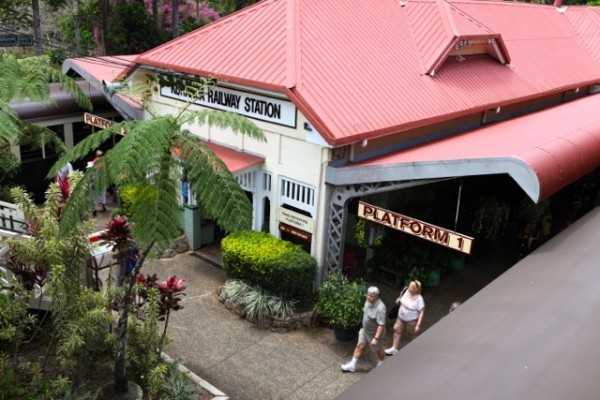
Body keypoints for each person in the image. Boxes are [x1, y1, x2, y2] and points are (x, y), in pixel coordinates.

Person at [341, 286, 386, 373]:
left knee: (378, 349)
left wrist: (376, 338)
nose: (368, 297)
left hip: (374, 334)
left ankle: (382, 363)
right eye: (368, 295)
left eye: (371, 296)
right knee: (359, 346)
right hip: (365, 330)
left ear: (376, 296)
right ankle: (352, 365)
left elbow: (381, 325)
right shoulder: (368, 301)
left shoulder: (380, 308)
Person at [385, 280, 425, 356]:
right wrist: (398, 299)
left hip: (411, 320)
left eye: (411, 288)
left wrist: (418, 325)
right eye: (409, 286)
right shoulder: (405, 290)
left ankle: (414, 349)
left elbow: (421, 312)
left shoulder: (419, 299)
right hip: (400, 317)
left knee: (413, 334)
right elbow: (401, 296)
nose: (409, 288)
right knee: (397, 330)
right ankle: (394, 348)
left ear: (416, 290)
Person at [90, 150, 107, 215]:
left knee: (96, 194)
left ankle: (96, 208)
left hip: (98, 180)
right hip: (99, 180)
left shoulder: (98, 162)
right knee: (101, 193)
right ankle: (101, 207)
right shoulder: (102, 162)